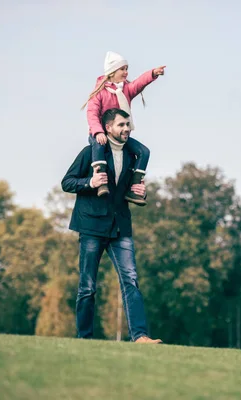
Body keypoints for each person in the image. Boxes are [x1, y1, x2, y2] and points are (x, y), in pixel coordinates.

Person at [61, 108, 162, 344]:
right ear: (108, 128)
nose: (126, 129)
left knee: (131, 280)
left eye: (128, 124)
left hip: (120, 228)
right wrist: (91, 182)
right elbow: (67, 182)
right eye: (121, 125)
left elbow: (128, 190)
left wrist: (140, 191)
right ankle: (84, 339)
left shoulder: (132, 157)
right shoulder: (90, 153)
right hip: (91, 227)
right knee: (87, 287)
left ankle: (140, 336)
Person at [81, 51, 166, 206]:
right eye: (123, 69)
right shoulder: (100, 92)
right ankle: (101, 181)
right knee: (99, 145)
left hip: (120, 135)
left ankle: (134, 188)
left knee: (143, 152)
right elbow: (92, 113)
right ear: (112, 72)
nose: (126, 72)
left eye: (127, 69)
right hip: (101, 133)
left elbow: (138, 84)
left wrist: (152, 74)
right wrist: (99, 131)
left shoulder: (125, 89)